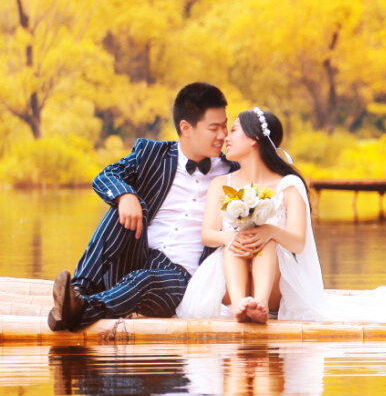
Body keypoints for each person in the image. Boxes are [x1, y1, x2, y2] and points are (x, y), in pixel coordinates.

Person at [48, 83, 238, 331]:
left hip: (180, 280)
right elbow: (105, 177)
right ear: (186, 128)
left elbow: (271, 175)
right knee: (123, 206)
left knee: (143, 280)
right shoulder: (151, 153)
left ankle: (79, 311)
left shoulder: (234, 173)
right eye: (214, 128)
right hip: (135, 258)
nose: (223, 135)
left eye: (225, 125)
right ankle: (78, 289)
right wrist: (125, 195)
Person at [176, 108, 326, 324]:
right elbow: (207, 234)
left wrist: (270, 231)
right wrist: (230, 238)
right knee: (237, 239)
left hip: (274, 285)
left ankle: (261, 304)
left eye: (234, 131)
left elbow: (298, 244)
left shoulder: (289, 186)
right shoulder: (221, 184)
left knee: (266, 240)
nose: (226, 137)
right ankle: (239, 304)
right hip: (229, 281)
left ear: (254, 138)